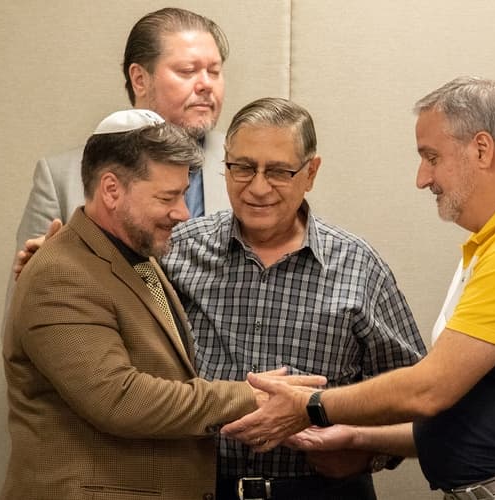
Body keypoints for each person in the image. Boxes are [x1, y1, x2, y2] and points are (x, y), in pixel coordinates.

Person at [221, 77, 495, 500]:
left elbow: (430, 389)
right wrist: (358, 439)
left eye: (431, 157)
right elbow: (470, 411)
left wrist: (311, 407)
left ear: (482, 149)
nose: (423, 178)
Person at [1, 109, 324, 500]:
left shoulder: (137, 255)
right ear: (111, 190)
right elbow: (118, 397)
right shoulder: (61, 273)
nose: (183, 213)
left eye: (183, 195)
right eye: (168, 197)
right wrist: (247, 397)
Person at [162, 97, 425, 499]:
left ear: (311, 172)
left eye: (279, 171)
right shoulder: (177, 251)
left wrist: (363, 450)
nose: (258, 187)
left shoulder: (358, 267)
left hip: (321, 489)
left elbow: (413, 397)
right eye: (243, 168)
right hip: (198, 486)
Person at [14, 7, 230, 250]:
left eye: (214, 71)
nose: (206, 85)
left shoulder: (246, 169)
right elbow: (30, 284)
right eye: (188, 71)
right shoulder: (61, 178)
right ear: (140, 79)